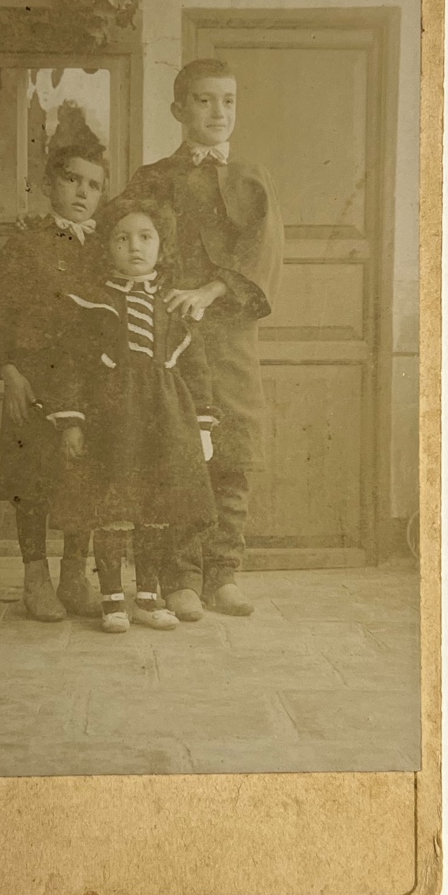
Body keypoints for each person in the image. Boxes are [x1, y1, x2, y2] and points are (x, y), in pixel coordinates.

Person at [116, 58, 283, 620]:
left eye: (228, 101)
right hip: (169, 332)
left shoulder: (252, 177)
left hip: (230, 333)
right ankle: (179, 578)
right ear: (179, 110)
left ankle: (223, 574)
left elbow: (261, 251)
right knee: (178, 449)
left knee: (232, 449)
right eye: (205, 100)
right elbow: (127, 241)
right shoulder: (152, 178)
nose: (218, 112)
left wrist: (211, 290)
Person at [45, 197, 219, 634]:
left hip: (164, 418)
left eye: (146, 237)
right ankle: (111, 601)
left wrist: (201, 426)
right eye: (122, 239)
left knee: (155, 507)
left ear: (162, 245)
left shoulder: (174, 306)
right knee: (113, 507)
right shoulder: (92, 303)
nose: (134, 248)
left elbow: (195, 370)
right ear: (106, 246)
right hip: (113, 420)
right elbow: (71, 365)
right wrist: (72, 420)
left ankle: (146, 597)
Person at [0, 145, 106, 622]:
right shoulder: (26, 244)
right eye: (72, 180)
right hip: (33, 381)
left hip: (87, 385)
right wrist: (7, 371)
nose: (82, 192)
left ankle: (74, 573)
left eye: (93, 185)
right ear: (50, 185)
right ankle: (35, 578)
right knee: (33, 479)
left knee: (83, 475)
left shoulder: (108, 247)